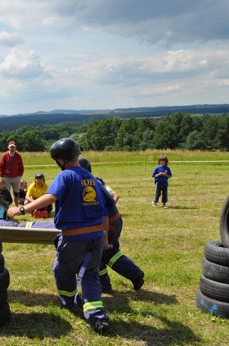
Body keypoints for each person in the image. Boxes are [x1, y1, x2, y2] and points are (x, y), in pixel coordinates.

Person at [8, 138, 110, 334]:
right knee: (90, 275)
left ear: (60, 160)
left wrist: (23, 209)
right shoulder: (92, 178)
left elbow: (50, 197)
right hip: (96, 236)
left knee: (62, 270)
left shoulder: (65, 176)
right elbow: (104, 212)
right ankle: (97, 316)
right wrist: (105, 238)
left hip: (74, 238)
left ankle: (69, 301)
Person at [78, 157, 144, 294]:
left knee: (98, 253)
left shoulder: (90, 186)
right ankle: (135, 274)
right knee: (112, 254)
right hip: (114, 222)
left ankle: (104, 285)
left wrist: (105, 238)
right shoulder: (93, 181)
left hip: (108, 224)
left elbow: (103, 213)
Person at [0, 140, 24, 207]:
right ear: (8, 147)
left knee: (16, 193)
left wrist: (19, 175)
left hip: (16, 178)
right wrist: (2, 176)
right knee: (6, 193)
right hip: (7, 178)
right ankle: (6, 206)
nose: (12, 148)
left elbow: (21, 166)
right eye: (11, 147)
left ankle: (16, 206)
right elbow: (1, 166)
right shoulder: (4, 155)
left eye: (13, 147)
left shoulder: (18, 156)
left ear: (15, 147)